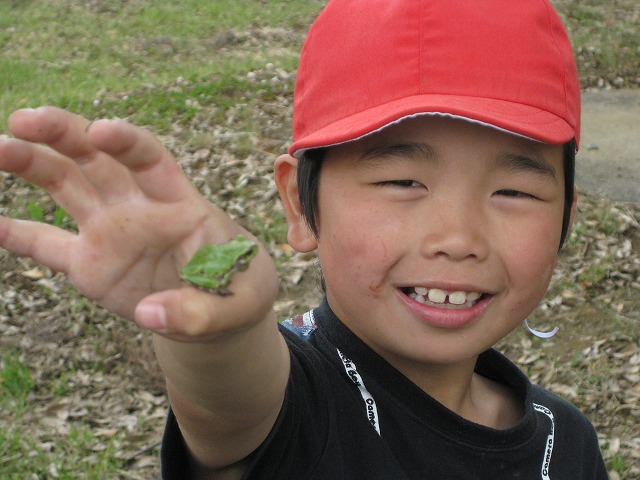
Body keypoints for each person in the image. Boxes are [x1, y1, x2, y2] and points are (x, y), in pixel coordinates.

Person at [0, 0, 609, 479]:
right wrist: (221, 330)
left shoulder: (568, 440)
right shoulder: (298, 402)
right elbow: (227, 406)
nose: (458, 238)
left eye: (515, 192)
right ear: (299, 203)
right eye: (402, 180)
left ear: (565, 218)